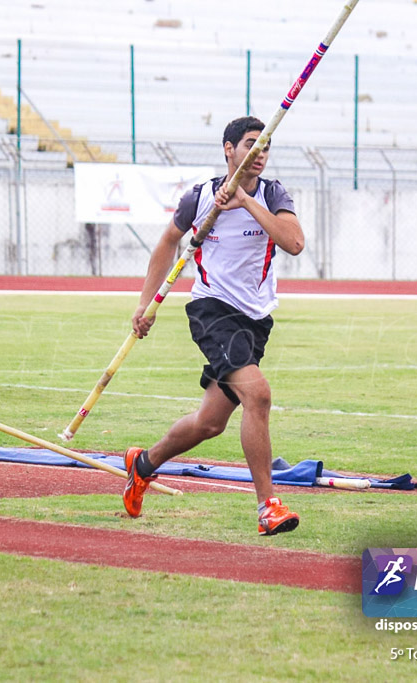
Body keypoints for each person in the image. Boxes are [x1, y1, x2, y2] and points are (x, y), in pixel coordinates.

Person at [123, 116, 304, 535]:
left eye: (264, 147)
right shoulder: (201, 197)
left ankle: (143, 463)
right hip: (213, 311)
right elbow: (168, 242)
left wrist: (246, 202)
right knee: (257, 395)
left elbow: (293, 243)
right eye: (249, 145)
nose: (258, 154)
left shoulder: (273, 194)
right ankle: (267, 508)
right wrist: (146, 304)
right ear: (228, 149)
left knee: (210, 423)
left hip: (255, 319)